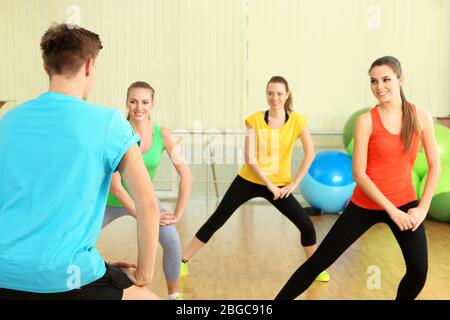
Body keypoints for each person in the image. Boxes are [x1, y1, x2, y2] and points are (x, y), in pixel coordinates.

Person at [0, 23, 161, 300]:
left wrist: (104, 268)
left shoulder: (8, 121)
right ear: (89, 66)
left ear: (46, 67)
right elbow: (147, 205)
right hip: (67, 279)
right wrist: (142, 276)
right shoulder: (110, 124)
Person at [275, 56, 441, 300]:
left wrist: (423, 207)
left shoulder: (420, 116)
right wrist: (391, 211)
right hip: (365, 204)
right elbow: (359, 174)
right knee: (319, 262)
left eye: (386, 79)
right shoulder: (366, 121)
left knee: (418, 270)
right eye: (374, 81)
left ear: (401, 80)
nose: (379, 86)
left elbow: (435, 164)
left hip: (405, 202)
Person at [181, 76, 330, 283]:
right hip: (249, 180)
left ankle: (314, 269)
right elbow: (250, 158)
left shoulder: (298, 121)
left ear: (287, 94)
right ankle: (182, 261)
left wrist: (293, 184)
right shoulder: (254, 119)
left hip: (280, 184)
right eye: (270, 93)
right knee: (217, 219)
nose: (274, 98)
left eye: (279, 93)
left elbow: (310, 154)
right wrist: (270, 186)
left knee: (305, 225)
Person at [103, 81, 193, 300]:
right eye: (133, 102)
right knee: (79, 239)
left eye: (144, 102)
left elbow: (187, 175)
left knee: (172, 241)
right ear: (126, 102)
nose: (138, 108)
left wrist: (177, 216)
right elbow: (116, 188)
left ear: (152, 104)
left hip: (146, 200)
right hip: (110, 201)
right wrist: (147, 216)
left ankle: (174, 295)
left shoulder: (165, 135)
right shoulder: (117, 133)